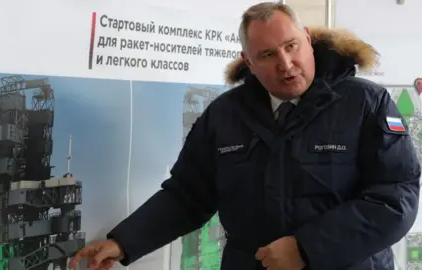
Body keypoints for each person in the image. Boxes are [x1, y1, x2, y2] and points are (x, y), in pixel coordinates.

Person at [70, 3, 421, 270]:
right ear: (248, 62)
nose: (285, 63)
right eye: (267, 55)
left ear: (309, 41)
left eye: (291, 46)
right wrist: (123, 242)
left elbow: (395, 197)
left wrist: (307, 248)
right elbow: (187, 195)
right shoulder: (225, 115)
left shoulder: (366, 104)